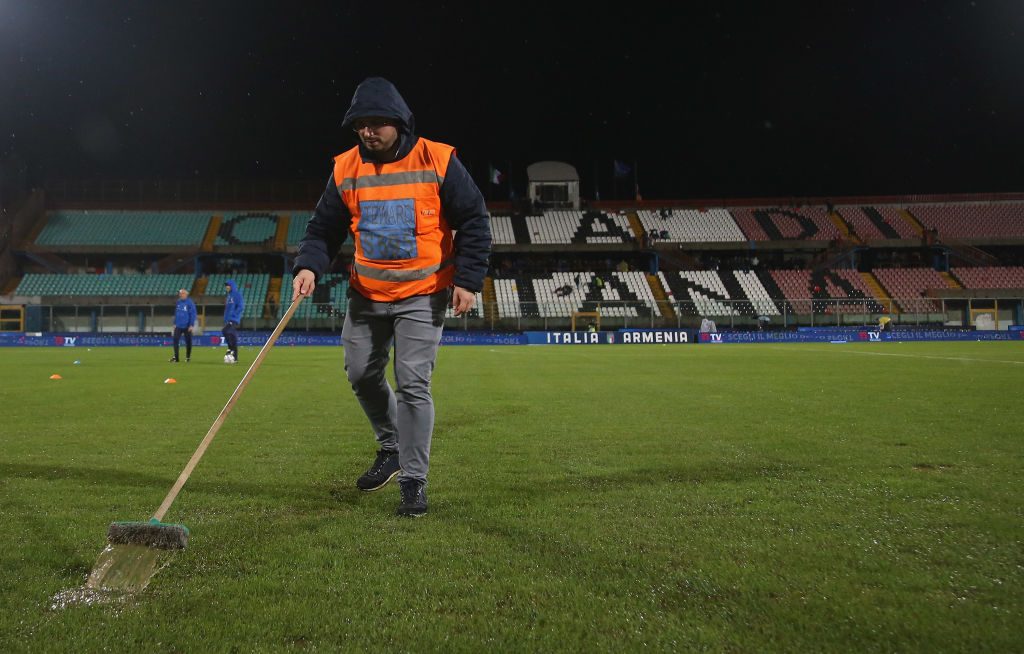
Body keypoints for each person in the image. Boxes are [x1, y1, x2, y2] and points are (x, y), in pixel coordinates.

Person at [291, 77, 491, 518]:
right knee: (360, 373)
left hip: (424, 293)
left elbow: (474, 218)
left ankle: (414, 481)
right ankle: (391, 446)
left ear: (399, 122)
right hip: (366, 294)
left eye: (378, 123)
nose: (368, 132)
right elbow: (324, 228)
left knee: (413, 384)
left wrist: (469, 280)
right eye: (361, 124)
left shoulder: (437, 159)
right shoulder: (345, 168)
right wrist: (308, 265)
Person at [170, 288, 196, 362]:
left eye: (181, 293)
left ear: (186, 294)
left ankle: (188, 357)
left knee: (188, 342)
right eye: (179, 293)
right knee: (175, 341)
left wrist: (191, 325)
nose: (180, 295)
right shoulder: (178, 302)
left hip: (187, 326)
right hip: (178, 325)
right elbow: (176, 313)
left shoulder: (190, 303)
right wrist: (174, 323)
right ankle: (176, 358)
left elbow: (193, 314)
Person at [223, 279, 244, 363]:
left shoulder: (237, 295)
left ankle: (230, 349)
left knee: (225, 331)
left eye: (228, 285)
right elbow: (227, 309)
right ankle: (235, 358)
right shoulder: (229, 296)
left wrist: (234, 315)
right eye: (226, 286)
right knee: (232, 337)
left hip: (234, 319)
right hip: (229, 319)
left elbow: (241, 306)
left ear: (232, 286)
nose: (226, 287)